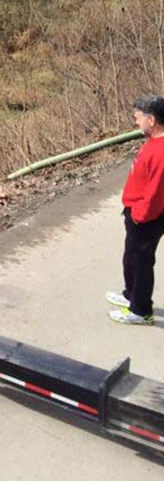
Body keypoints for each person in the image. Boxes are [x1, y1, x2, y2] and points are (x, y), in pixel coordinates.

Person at [107, 95, 164, 325]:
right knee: (131, 256)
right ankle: (130, 295)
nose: (136, 122)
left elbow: (157, 191)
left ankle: (141, 311)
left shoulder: (161, 151)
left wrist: (140, 216)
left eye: (138, 118)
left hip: (146, 216)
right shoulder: (153, 142)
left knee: (141, 261)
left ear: (151, 119)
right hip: (136, 211)